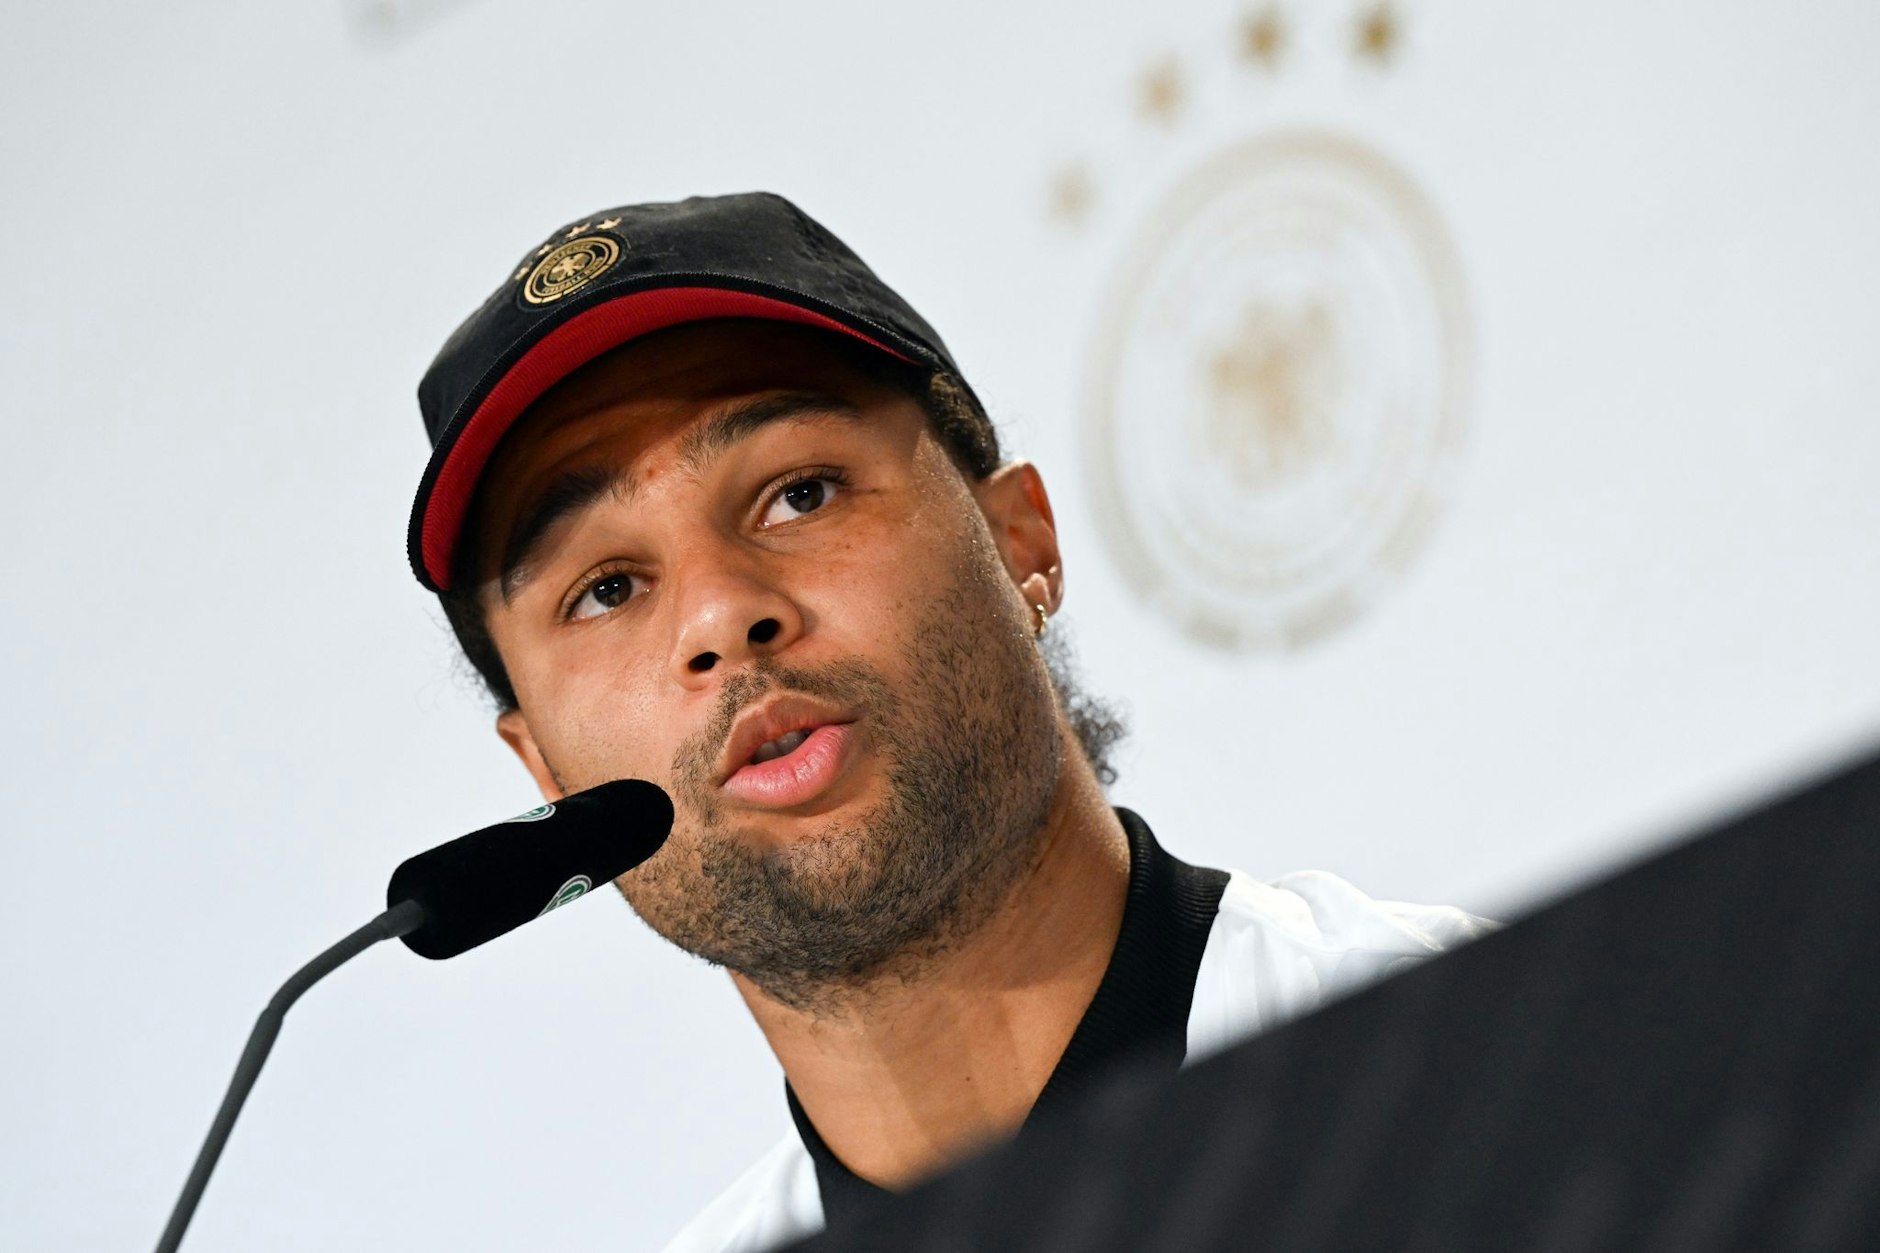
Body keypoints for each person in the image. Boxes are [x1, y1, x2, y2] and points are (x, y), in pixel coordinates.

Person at [404, 193, 1490, 1252]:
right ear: (546, 772)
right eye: (604, 589)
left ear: (1020, 540)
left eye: (799, 492)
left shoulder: (1489, 1068)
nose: (721, 613)